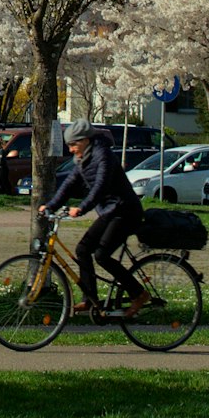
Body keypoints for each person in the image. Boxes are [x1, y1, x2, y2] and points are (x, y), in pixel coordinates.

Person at [38, 117, 149, 316]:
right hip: (110, 212)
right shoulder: (82, 160)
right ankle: (90, 299)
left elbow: (100, 187)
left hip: (126, 211)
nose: (71, 149)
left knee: (102, 255)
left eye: (73, 144)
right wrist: (51, 205)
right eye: (69, 145)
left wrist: (81, 208)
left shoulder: (103, 155)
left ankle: (138, 293)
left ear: (85, 140)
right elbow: (69, 184)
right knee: (82, 249)